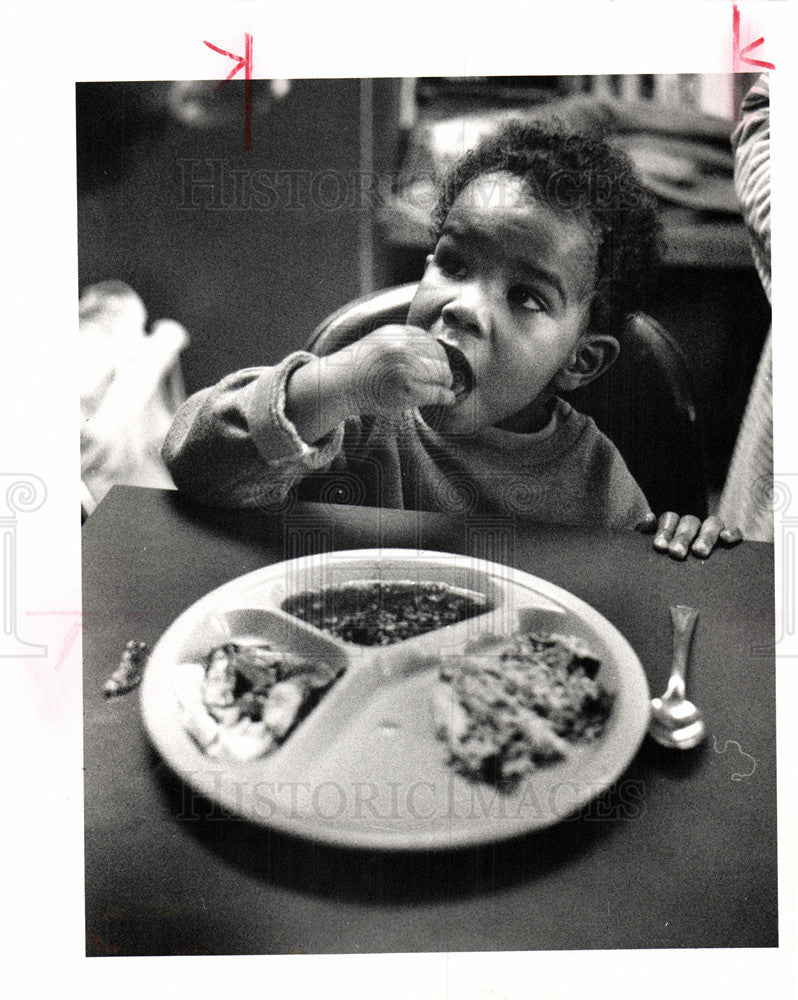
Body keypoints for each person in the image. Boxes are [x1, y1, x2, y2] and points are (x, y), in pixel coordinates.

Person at [163, 119, 739, 559]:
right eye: (454, 264)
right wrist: (332, 383)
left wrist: (677, 542)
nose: (464, 307)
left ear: (580, 361)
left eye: (526, 297)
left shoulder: (593, 481)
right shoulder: (348, 421)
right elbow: (194, 464)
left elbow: (625, 586)